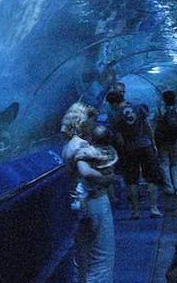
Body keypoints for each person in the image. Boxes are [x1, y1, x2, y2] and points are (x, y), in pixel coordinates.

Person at [61, 102, 116, 283]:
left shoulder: (68, 145)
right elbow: (85, 171)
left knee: (81, 257)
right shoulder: (82, 145)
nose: (94, 125)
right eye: (92, 121)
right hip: (94, 201)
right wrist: (106, 179)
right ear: (82, 122)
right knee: (101, 257)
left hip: (77, 203)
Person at [106, 89, 163, 218]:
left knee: (132, 180)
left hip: (129, 149)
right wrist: (153, 144)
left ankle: (136, 211)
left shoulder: (116, 116)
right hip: (146, 146)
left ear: (113, 103)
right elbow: (147, 127)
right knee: (151, 178)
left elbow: (119, 138)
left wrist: (121, 151)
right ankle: (154, 208)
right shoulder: (138, 108)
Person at [154, 90, 177, 195]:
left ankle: (169, 188)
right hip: (174, 140)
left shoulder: (159, 111)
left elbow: (154, 126)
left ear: (164, 100)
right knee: (175, 163)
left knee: (164, 163)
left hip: (162, 141)